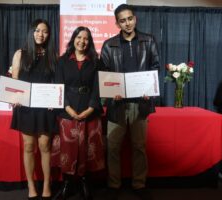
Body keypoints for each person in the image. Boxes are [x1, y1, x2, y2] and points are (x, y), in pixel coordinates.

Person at [100, 3, 160, 199]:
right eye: (122, 20)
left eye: (130, 19)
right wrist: (112, 92)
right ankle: (114, 184)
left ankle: (139, 184)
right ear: (117, 23)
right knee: (113, 147)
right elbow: (105, 74)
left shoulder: (148, 41)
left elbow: (155, 67)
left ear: (135, 18)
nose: (127, 23)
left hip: (140, 102)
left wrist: (149, 90)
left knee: (139, 146)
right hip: (117, 103)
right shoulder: (109, 45)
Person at [53, 26, 105, 200]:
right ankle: (67, 183)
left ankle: (84, 182)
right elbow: (59, 87)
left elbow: (98, 88)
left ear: (89, 42)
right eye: (79, 37)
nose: (82, 41)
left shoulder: (96, 61)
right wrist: (68, 109)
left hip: (90, 110)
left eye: (86, 38)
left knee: (86, 150)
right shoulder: (62, 61)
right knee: (68, 149)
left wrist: (90, 109)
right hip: (67, 112)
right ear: (73, 38)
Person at [10, 19, 57, 200]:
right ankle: (31, 184)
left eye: (44, 31)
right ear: (31, 32)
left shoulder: (53, 55)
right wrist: (15, 97)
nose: (40, 34)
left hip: (45, 107)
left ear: (48, 35)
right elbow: (14, 82)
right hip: (26, 107)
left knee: (45, 146)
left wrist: (55, 98)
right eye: (37, 30)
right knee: (29, 146)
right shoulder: (20, 54)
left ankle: (46, 184)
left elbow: (57, 82)